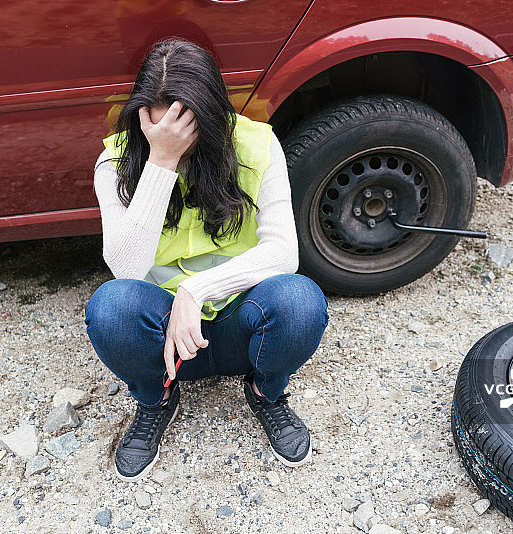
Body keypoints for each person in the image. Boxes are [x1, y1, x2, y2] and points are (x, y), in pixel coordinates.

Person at [84, 38, 329, 482]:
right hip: (167, 341)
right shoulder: (117, 160)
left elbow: (283, 253)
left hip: (241, 325)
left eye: (186, 139)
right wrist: (161, 161)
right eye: (158, 134)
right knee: (111, 307)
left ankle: (265, 392)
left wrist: (198, 290)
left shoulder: (256, 145)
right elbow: (125, 268)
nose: (178, 150)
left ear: (215, 121)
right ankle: (156, 400)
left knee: (300, 301)